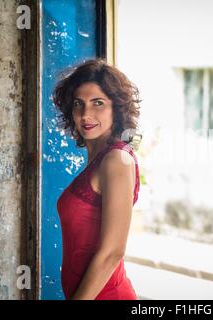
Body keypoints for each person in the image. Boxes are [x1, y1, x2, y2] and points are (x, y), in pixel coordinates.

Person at [53, 58, 141, 300]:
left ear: (117, 108)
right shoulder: (98, 161)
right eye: (78, 104)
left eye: (98, 103)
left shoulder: (116, 160)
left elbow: (113, 252)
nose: (86, 114)